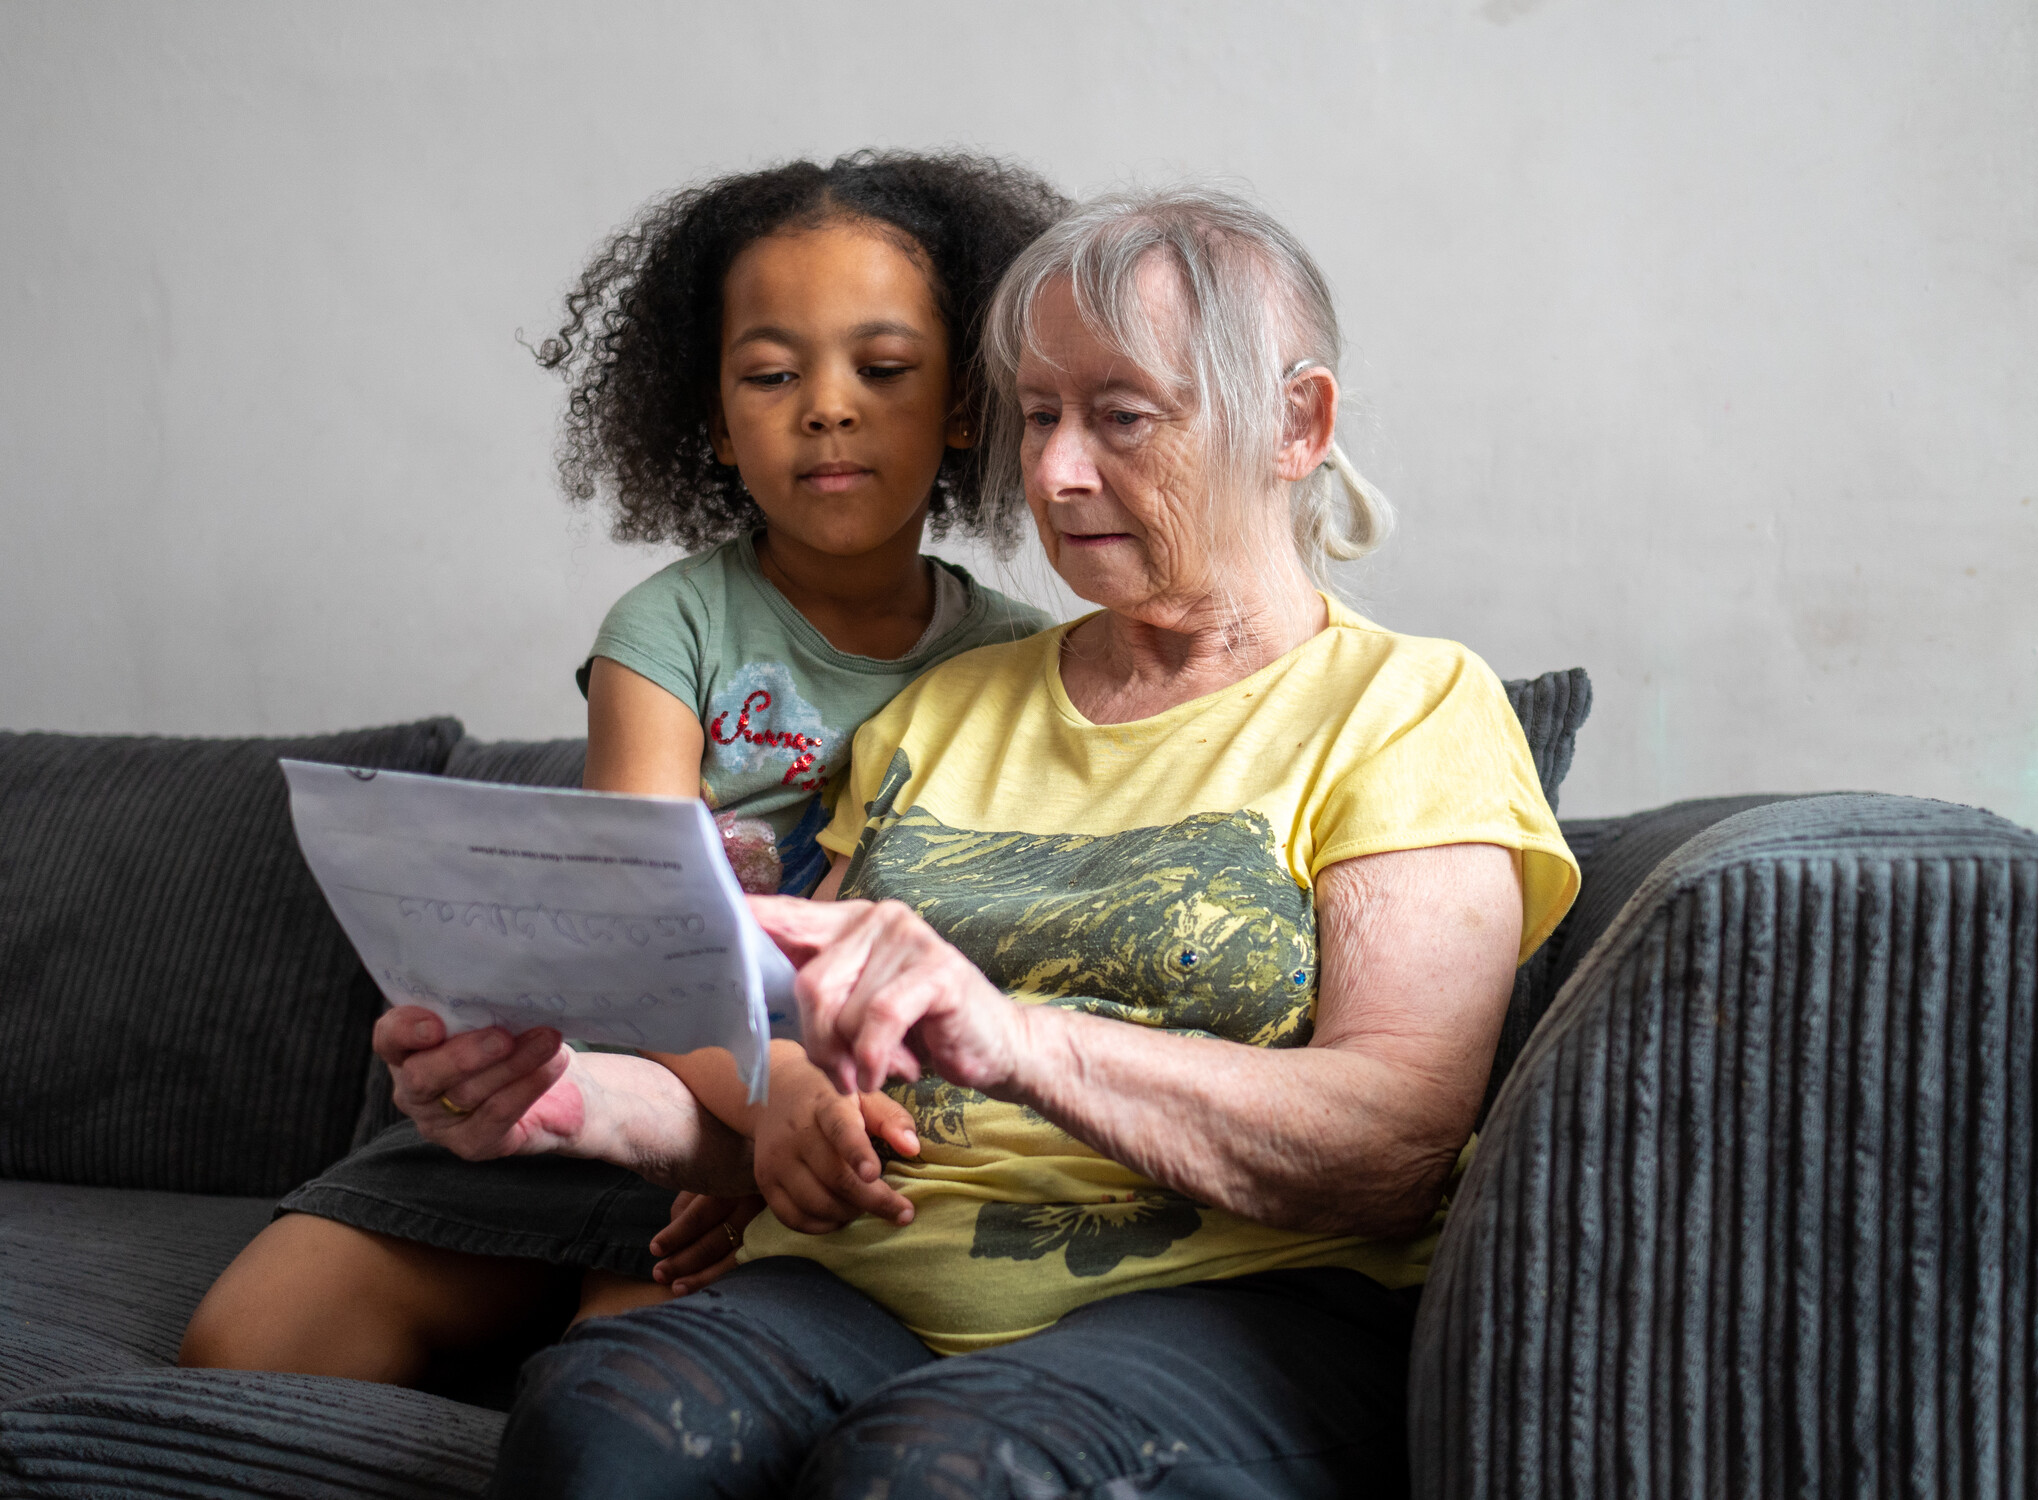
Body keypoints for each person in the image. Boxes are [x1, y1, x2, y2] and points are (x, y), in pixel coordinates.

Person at [366, 187, 1581, 1499]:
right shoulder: (947, 703)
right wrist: (570, 1103)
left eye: (1119, 417)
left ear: (1296, 424)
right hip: (854, 1282)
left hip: (1229, 1303)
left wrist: (1020, 1039)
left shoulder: (1406, 707)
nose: (1052, 474)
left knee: (939, 1470)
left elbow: (1390, 1146)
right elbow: (797, 1116)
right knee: (598, 1414)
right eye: (1038, 416)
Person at [179, 151, 1063, 1386]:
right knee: (247, 1344)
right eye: (769, 373)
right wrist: (775, 1098)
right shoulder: (667, 633)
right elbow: (635, 954)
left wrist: (777, 1132)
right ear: (710, 418)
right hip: (610, 1077)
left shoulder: (1033, 664)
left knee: (623, 1389)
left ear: (967, 404)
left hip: (808, 1136)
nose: (826, 406)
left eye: (884, 369)